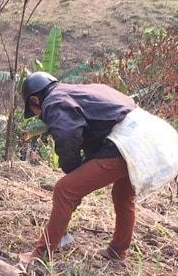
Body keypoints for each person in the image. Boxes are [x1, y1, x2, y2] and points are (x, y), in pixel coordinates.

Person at [18, 72, 140, 265]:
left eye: (33, 110)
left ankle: (39, 256)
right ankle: (117, 252)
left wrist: (73, 172)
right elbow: (99, 126)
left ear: (35, 99)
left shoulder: (53, 102)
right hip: (141, 138)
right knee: (123, 195)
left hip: (124, 143)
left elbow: (68, 138)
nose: (38, 116)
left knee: (64, 190)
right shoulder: (76, 91)